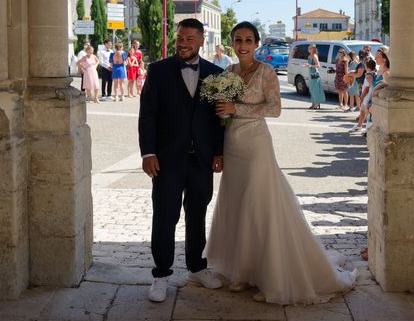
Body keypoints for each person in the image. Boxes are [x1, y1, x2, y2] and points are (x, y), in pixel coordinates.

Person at [207, 21, 356, 305]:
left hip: (256, 145)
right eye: (238, 40)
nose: (242, 45)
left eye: (248, 40)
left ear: (256, 43)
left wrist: (235, 108)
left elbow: (274, 109)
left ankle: (271, 276)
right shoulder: (228, 72)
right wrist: (221, 119)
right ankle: (242, 271)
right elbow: (222, 111)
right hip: (233, 144)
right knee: (237, 204)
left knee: (259, 205)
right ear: (232, 43)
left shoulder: (266, 72)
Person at [139, 18, 225, 303]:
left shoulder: (216, 74)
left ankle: (197, 267)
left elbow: (220, 120)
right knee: (165, 216)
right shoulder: (158, 71)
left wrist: (218, 152)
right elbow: (148, 115)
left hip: (201, 160)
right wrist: (147, 153)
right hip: (166, 159)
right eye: (179, 38)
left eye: (189, 38)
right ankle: (161, 274)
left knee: (198, 214)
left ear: (202, 40)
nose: (183, 43)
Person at [305, 44, 325, 109]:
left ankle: (317, 103)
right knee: (311, 88)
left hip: (314, 73)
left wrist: (310, 66)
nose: (309, 49)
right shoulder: (309, 56)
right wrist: (307, 65)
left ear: (313, 49)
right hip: (310, 73)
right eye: (308, 48)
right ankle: (313, 103)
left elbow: (318, 65)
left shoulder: (314, 56)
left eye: (310, 48)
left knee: (315, 88)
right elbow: (310, 64)